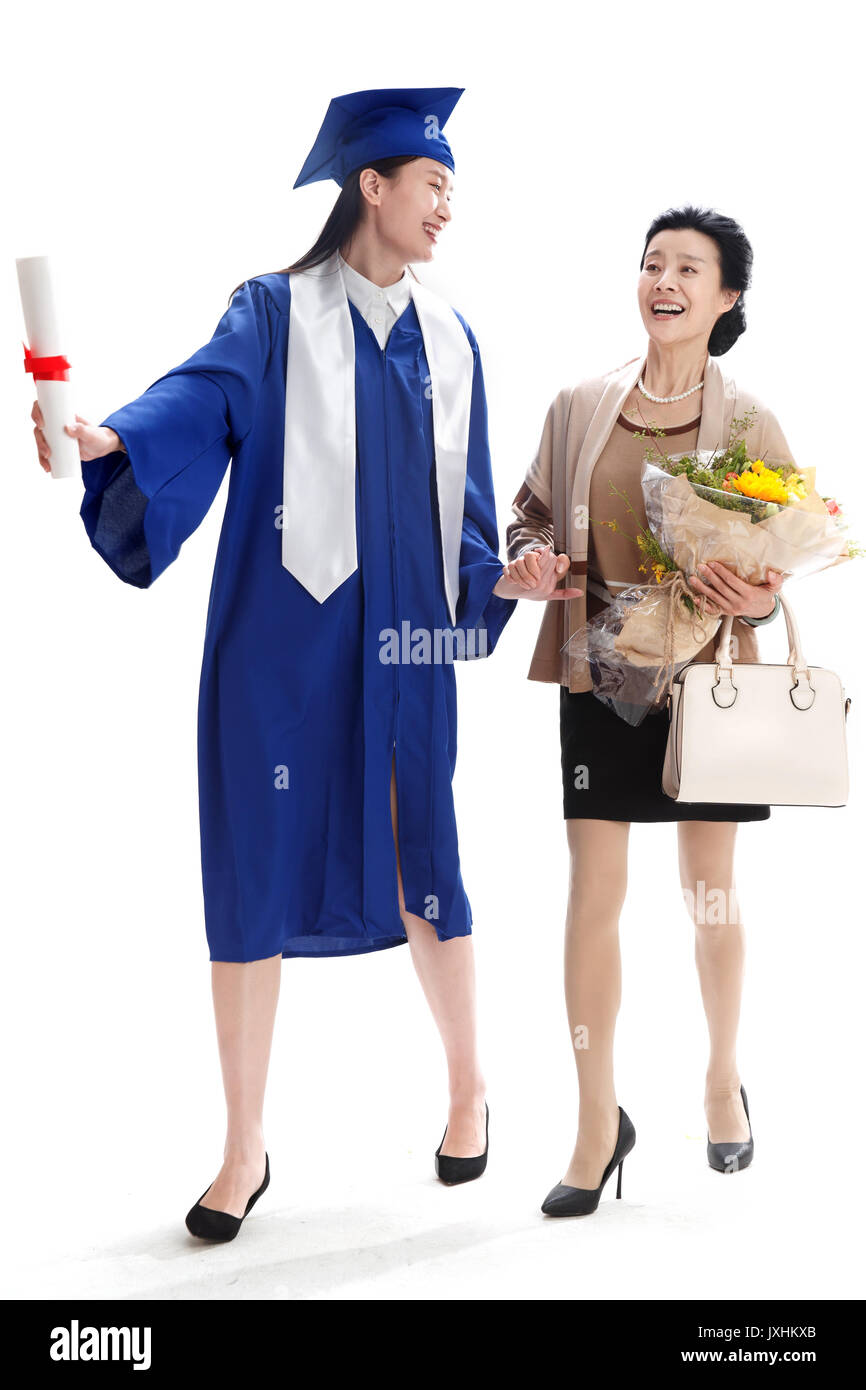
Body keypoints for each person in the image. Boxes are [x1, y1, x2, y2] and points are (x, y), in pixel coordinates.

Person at [32, 86, 576, 1242]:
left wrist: (509, 579)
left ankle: (468, 1087)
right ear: (370, 186)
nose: (445, 208)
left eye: (451, 189)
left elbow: (469, 524)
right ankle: (242, 1146)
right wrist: (115, 434)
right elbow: (201, 396)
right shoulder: (272, 313)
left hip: (406, 649)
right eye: (430, 185)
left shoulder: (453, 339)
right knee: (251, 870)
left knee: (425, 851)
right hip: (280, 645)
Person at [505, 205, 793, 1216]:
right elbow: (528, 517)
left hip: (704, 683)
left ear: (724, 299)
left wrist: (755, 596)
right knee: (593, 892)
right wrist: (531, 561)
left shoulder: (747, 419)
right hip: (601, 670)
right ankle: (595, 1123)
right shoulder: (580, 403)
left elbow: (779, 556)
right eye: (649, 262)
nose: (661, 278)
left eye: (686, 267)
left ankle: (720, 1079)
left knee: (708, 893)